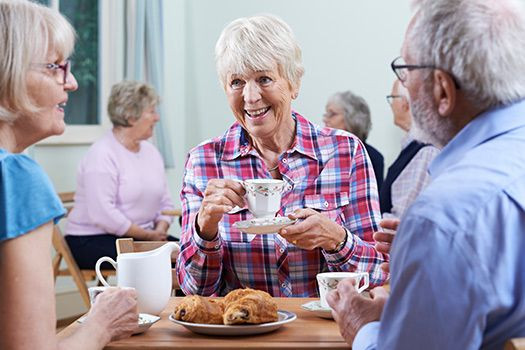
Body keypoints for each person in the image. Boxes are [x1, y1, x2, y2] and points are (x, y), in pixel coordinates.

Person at [327, 0, 525, 349]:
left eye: (405, 70)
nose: (402, 87)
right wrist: (430, 271)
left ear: (442, 91)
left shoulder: (442, 219)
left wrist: (361, 327)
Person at [177, 14, 388, 297]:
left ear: (293, 83)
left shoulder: (345, 152)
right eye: (236, 82)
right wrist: (205, 230)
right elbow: (195, 289)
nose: (250, 97)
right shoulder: (203, 161)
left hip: (325, 336)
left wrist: (336, 240)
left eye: (264, 79)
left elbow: (378, 273)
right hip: (242, 334)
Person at [0, 1, 138, 349]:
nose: (73, 82)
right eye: (55, 67)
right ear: (8, 75)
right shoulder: (15, 178)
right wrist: (103, 322)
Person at [65, 80, 175, 269]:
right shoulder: (101, 154)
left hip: (140, 236)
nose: (157, 118)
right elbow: (103, 214)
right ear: (131, 116)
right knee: (158, 260)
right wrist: (149, 237)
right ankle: (157, 300)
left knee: (190, 255)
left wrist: (160, 229)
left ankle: (186, 301)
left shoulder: (151, 152)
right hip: (91, 239)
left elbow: (165, 203)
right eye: (151, 111)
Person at [380, 80, 439, 218]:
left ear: (404, 103)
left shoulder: (426, 151)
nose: (391, 105)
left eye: (392, 98)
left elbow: (402, 219)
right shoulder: (413, 147)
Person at [324, 91, 384, 191]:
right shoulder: (321, 153)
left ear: (352, 119)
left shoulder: (373, 157)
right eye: (326, 114)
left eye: (332, 114)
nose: (325, 120)